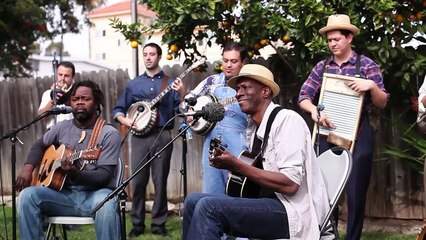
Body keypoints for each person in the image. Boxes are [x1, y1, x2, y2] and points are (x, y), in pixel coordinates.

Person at [183, 64, 330, 239]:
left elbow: (290, 184)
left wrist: (238, 165)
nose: (238, 93)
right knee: (193, 201)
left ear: (265, 92)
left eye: (245, 87)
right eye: (237, 89)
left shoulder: (287, 120)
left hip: (292, 211)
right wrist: (232, 168)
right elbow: (257, 178)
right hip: (267, 202)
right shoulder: (253, 128)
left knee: (208, 207)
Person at [298, 14, 389, 240]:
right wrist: (314, 111)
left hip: (358, 132)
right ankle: (328, 236)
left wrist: (371, 87)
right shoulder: (322, 67)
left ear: (349, 37)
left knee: (356, 193)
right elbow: (304, 97)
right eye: (329, 40)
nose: (332, 44)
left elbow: (383, 102)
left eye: (337, 39)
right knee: (325, 191)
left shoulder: (367, 65)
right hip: (326, 133)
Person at [16, 80, 122, 240]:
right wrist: (28, 168)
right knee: (26, 196)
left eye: (85, 98)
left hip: (94, 196)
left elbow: (104, 176)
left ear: (97, 102)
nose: (79, 102)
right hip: (62, 195)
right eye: (75, 99)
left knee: (107, 202)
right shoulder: (61, 127)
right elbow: (39, 145)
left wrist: (74, 173)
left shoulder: (109, 133)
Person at [112, 42, 185, 237]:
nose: (148, 57)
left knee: (160, 181)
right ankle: (137, 224)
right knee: (138, 180)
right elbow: (118, 110)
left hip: (162, 135)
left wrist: (182, 93)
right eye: (145, 54)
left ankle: (158, 225)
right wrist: (126, 121)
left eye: (152, 54)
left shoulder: (171, 83)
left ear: (159, 56)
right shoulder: (133, 84)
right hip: (139, 137)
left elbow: (182, 110)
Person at [183, 41, 248, 194]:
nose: (228, 65)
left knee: (237, 193)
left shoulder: (248, 85)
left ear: (243, 62)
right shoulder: (212, 82)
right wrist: (190, 111)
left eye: (233, 61)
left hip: (240, 148)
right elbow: (188, 99)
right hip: (212, 146)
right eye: (225, 61)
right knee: (211, 194)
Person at [38, 61, 76, 129]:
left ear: (72, 77)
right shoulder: (47, 93)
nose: (62, 79)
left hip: (72, 133)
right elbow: (41, 117)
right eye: (60, 75)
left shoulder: (76, 93)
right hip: (53, 133)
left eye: (66, 76)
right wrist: (53, 99)